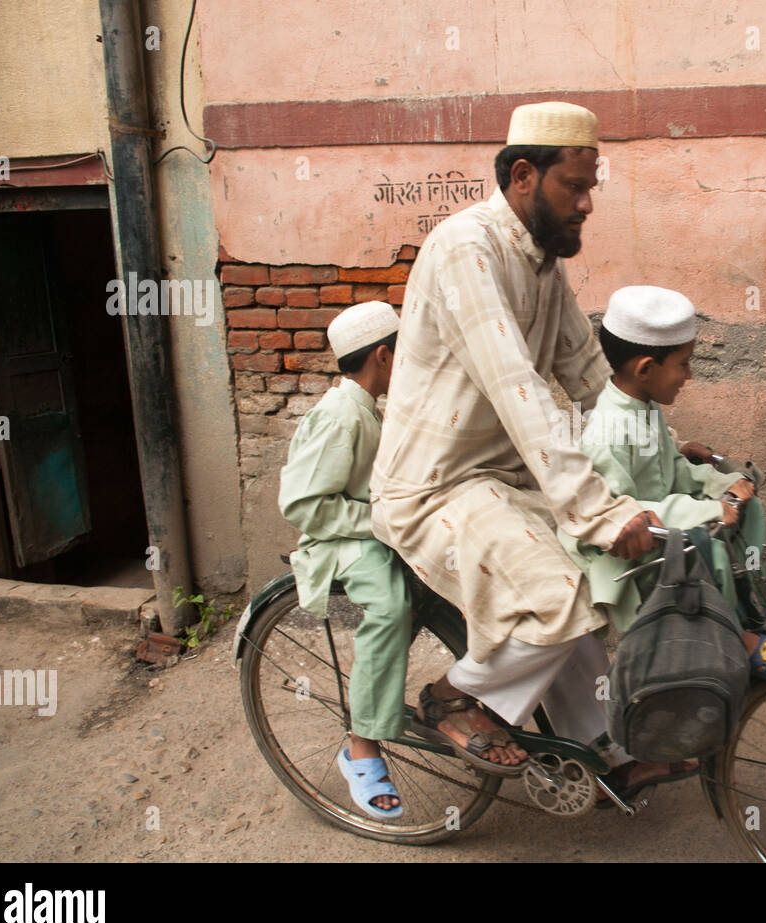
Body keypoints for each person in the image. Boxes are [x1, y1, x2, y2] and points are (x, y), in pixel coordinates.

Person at [370, 102, 691, 795]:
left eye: (590, 188)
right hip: (435, 486)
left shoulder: (542, 263)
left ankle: (607, 750)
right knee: (560, 592)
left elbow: (587, 375)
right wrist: (599, 511)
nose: (587, 204)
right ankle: (456, 695)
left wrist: (659, 452)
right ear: (523, 175)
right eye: (576, 188)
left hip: (501, 480)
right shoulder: (467, 248)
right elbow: (520, 391)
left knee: (590, 583)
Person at [561, 284, 766, 681]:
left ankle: (753, 605)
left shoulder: (645, 410)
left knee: (751, 511)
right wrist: (712, 508)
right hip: (632, 549)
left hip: (662, 529)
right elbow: (620, 514)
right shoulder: (608, 431)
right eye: (683, 363)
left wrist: (721, 484)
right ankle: (734, 633)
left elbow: (675, 473)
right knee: (707, 548)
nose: (689, 375)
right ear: (645, 368)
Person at [278, 301, 412, 818]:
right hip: (337, 540)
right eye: (404, 353)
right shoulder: (339, 416)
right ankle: (361, 747)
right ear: (383, 355)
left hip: (366, 529)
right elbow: (305, 505)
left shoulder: (366, 408)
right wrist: (377, 521)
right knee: (390, 605)